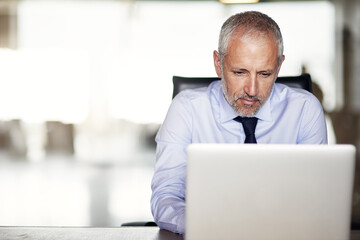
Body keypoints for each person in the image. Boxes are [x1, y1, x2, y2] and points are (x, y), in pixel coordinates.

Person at [151, 11, 328, 234]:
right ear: (218, 63)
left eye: (264, 73)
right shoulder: (186, 109)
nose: (252, 90)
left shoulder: (305, 110)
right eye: (239, 72)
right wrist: (206, 227)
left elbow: (316, 198)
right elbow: (166, 195)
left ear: (279, 66)